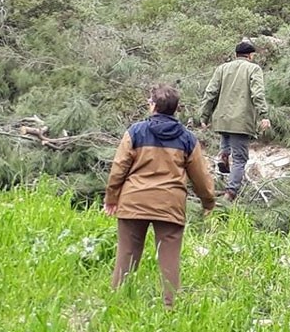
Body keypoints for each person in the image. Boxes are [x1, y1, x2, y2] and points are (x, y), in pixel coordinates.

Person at [104, 84, 216, 307]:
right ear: (175, 109)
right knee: (169, 258)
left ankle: (117, 303)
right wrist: (208, 201)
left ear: (153, 106)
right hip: (170, 205)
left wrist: (112, 198)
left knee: (127, 253)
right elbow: (201, 177)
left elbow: (119, 168)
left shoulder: (135, 132)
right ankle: (169, 307)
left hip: (134, 200)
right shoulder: (188, 139)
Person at [199, 40, 271, 202]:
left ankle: (223, 155)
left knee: (226, 146)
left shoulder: (222, 69)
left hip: (222, 119)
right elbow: (257, 93)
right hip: (241, 121)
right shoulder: (253, 68)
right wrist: (264, 115)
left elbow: (210, 92)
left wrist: (204, 116)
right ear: (250, 55)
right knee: (239, 159)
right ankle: (230, 194)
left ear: (236, 55)